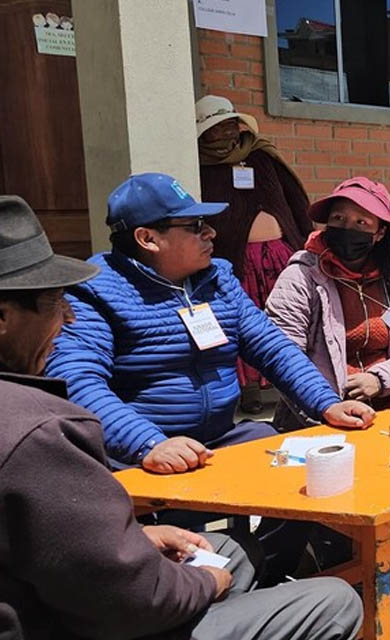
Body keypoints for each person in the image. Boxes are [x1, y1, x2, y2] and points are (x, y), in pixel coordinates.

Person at [0, 194, 362, 640]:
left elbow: (271, 347)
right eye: (194, 226)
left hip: (213, 440)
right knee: (332, 599)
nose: (211, 234)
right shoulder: (97, 297)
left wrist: (326, 403)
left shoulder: (217, 281)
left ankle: (265, 583)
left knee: (293, 464)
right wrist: (147, 442)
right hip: (140, 451)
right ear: (147, 238)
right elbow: (77, 382)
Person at [267, 177, 390, 430]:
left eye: (361, 222)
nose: (347, 228)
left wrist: (379, 380)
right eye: (338, 219)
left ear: (380, 233)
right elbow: (283, 356)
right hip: (323, 409)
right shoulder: (301, 276)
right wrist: (326, 404)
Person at [197, 94, 316, 413]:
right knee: (242, 323)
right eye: (216, 128)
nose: (225, 133)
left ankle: (293, 384)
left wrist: (308, 240)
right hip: (236, 262)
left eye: (229, 124)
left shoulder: (263, 157)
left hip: (280, 256)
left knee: (288, 319)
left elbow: (295, 200)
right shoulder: (200, 168)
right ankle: (248, 388)